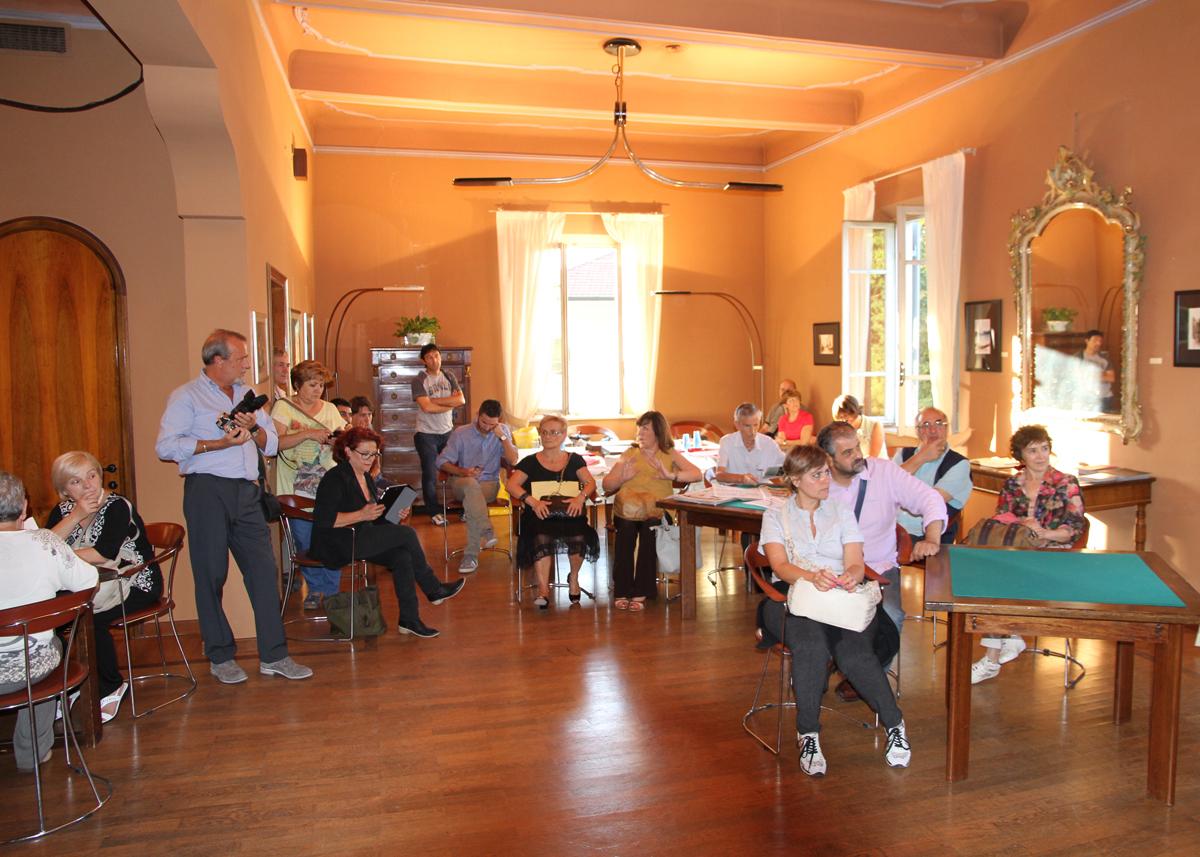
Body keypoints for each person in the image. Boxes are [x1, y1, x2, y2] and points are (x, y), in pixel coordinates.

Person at [156, 328, 312, 684]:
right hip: (206, 492)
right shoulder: (186, 396)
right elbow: (165, 447)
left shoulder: (247, 395)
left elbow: (271, 445)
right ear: (218, 360)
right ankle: (220, 655)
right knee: (211, 574)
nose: (246, 365)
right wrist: (218, 443)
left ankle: (275, 655)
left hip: (247, 493)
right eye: (241, 358)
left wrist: (254, 428)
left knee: (264, 572)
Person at [758, 446, 910, 776]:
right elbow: (780, 566)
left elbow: (855, 561)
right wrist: (812, 577)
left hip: (841, 597)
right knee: (811, 646)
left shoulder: (841, 512)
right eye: (817, 475)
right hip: (794, 596)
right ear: (795, 480)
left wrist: (851, 575)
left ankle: (895, 724)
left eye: (827, 472)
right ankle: (808, 733)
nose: (827, 479)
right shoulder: (775, 515)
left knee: (853, 653)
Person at [820, 420, 945, 701]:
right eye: (847, 453)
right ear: (828, 459)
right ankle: (832, 658)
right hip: (831, 568)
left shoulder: (884, 472)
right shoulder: (817, 480)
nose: (858, 456)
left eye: (857, 447)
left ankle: (868, 674)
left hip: (878, 568)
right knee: (821, 615)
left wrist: (932, 537)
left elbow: (929, 499)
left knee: (892, 615)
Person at [310, 427, 464, 638]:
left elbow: (376, 521)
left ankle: (409, 620)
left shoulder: (366, 478)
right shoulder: (335, 478)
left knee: (402, 556)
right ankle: (433, 588)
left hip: (361, 536)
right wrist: (361, 514)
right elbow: (323, 520)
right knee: (407, 534)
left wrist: (395, 513)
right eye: (364, 454)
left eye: (374, 454)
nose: (370, 459)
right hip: (337, 542)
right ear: (347, 451)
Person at [46, 451, 162, 723]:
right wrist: (75, 516)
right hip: (88, 587)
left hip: (135, 583)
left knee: (90, 619)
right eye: (76, 481)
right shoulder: (62, 512)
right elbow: (44, 546)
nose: (88, 485)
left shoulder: (118, 506)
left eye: (92, 476)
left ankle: (111, 685)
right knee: (51, 619)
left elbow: (103, 553)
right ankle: (70, 685)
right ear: (64, 489)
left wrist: (59, 555)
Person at [972, 424, 1086, 684]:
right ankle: (1009, 637)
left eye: (1044, 448)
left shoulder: (1066, 483)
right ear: (1020, 455)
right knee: (990, 579)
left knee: (1001, 583)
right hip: (1019, 551)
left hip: (1055, 554)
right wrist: (1024, 524)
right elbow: (1001, 518)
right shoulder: (1012, 484)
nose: (1040, 455)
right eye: (1033, 450)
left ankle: (993, 657)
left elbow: (1075, 527)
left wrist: (1046, 534)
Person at [0, 471, 98, 771]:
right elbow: (88, 581)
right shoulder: (46, 543)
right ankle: (32, 752)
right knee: (47, 649)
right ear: (24, 507)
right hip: (31, 668)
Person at [601, 410, 702, 611]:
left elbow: (696, 474)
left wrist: (670, 475)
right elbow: (606, 484)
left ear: (658, 431)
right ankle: (622, 589)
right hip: (629, 509)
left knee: (650, 531)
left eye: (645, 428)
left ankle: (642, 590)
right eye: (639, 428)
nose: (640, 433)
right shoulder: (629, 454)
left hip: (657, 510)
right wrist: (622, 478)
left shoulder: (669, 453)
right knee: (626, 530)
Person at [271, 360, 346, 610]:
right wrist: (308, 434)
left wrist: (336, 441)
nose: (318, 390)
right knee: (304, 540)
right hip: (294, 486)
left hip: (327, 484)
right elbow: (276, 443)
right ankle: (315, 587)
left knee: (332, 537)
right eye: (312, 385)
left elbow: (343, 443)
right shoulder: (283, 407)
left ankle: (332, 591)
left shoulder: (330, 410)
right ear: (298, 384)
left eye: (321, 385)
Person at [507, 414, 599, 609]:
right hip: (539, 515)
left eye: (554, 432)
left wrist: (580, 498)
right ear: (540, 434)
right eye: (545, 432)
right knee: (541, 536)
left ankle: (573, 577)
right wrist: (532, 502)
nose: (548, 436)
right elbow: (511, 485)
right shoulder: (529, 462)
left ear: (564, 435)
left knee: (579, 536)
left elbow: (590, 483)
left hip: (569, 514)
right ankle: (543, 590)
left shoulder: (575, 460)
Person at [436, 400, 519, 573]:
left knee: (473, 502)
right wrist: (463, 471)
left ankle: (471, 555)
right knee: (471, 485)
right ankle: (485, 529)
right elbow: (441, 462)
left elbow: (513, 460)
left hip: (489, 484)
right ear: (477, 415)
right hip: (461, 482)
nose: (487, 427)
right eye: (484, 422)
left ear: (498, 421)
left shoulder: (502, 431)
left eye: (492, 424)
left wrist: (503, 437)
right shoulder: (461, 433)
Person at [893, 407, 972, 543]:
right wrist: (921, 457)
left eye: (939, 424)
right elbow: (888, 485)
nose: (933, 430)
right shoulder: (903, 454)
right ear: (918, 431)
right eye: (926, 425)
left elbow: (931, 501)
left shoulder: (959, 464)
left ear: (946, 429)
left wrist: (898, 492)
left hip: (924, 536)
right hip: (890, 529)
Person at [412, 343, 466, 525]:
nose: (434, 360)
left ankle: (465, 508)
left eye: (436, 355)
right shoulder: (419, 380)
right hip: (425, 434)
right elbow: (426, 407)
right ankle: (434, 512)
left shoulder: (449, 376)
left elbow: (461, 400)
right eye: (429, 357)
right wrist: (449, 403)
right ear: (424, 361)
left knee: (458, 469)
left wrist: (435, 401)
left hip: (447, 432)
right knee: (430, 474)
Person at [716, 403, 784, 486]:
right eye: (747, 426)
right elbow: (719, 475)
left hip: (762, 491)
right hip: (735, 490)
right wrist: (741, 478)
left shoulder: (769, 443)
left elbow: (785, 469)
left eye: (756, 425)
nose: (753, 431)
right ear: (737, 425)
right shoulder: (727, 441)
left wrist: (764, 473)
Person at [832, 394, 884, 458]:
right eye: (840, 417)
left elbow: (872, 458)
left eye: (845, 415)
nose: (843, 420)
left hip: (876, 463)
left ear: (854, 411)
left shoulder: (875, 425)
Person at [1079, 329, 1117, 413]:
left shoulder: (1104, 358)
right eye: (1095, 340)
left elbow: (1111, 378)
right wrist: (1102, 374)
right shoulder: (1078, 357)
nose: (1098, 343)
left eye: (1100, 341)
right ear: (1087, 341)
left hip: (1104, 398)